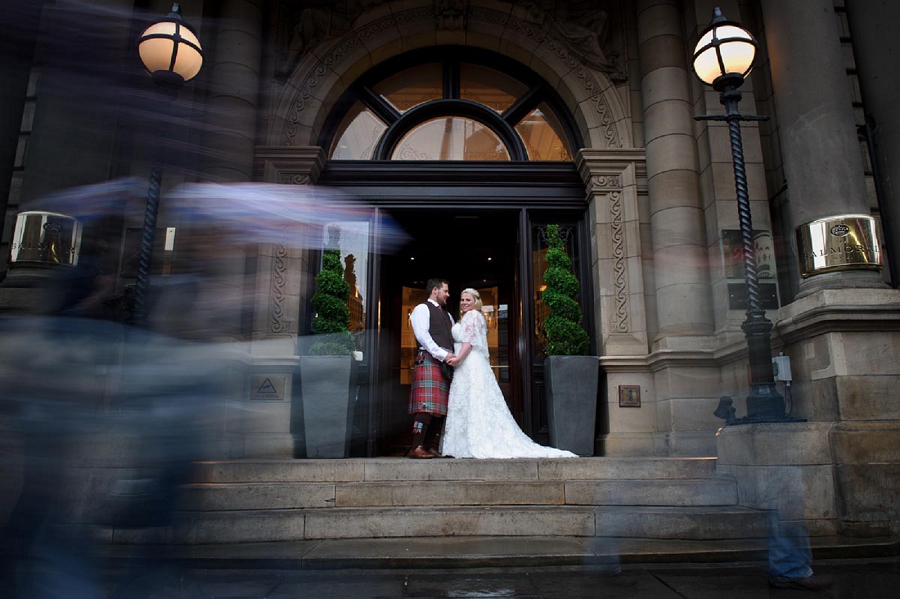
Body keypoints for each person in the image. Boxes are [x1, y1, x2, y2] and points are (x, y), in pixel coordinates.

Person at [443, 289, 576, 459]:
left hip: (468, 361)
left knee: (472, 399)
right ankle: (465, 444)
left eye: (468, 299)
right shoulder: (473, 317)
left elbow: (468, 342)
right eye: (462, 299)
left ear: (476, 301)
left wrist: (458, 359)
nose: (464, 302)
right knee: (471, 400)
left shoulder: (472, 316)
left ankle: (468, 444)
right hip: (471, 363)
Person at [407, 278, 457, 459]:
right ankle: (416, 446)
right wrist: (442, 354)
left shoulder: (447, 315)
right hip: (429, 359)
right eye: (446, 291)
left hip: (445, 363)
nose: (448, 294)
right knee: (425, 406)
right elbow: (422, 336)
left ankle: (428, 446)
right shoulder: (422, 309)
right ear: (435, 290)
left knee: (440, 409)